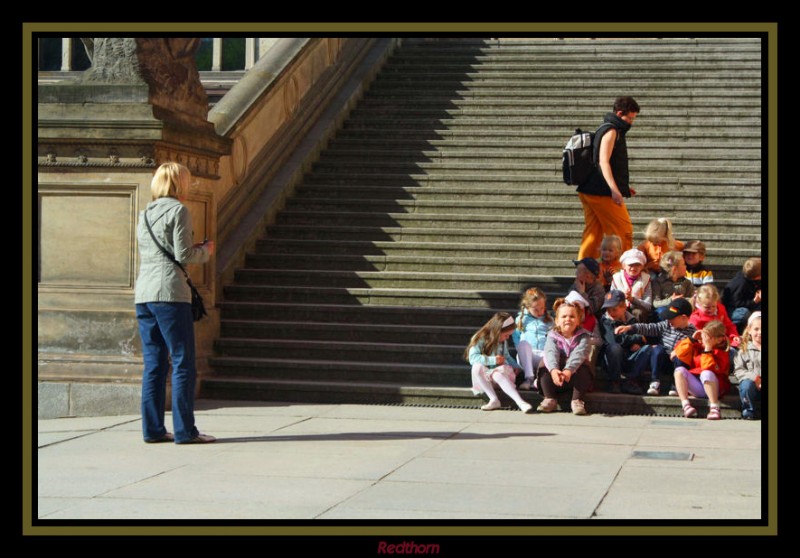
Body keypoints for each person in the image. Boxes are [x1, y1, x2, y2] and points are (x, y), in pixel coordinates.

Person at [135, 162, 216, 444]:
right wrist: (204, 251)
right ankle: (185, 431)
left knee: (154, 364)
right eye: (187, 181)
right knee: (183, 362)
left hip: (144, 294)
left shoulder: (144, 214)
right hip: (169, 293)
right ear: (179, 184)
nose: (190, 186)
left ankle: (153, 429)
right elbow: (183, 255)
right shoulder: (178, 210)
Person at [576, 96, 640, 260]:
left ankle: (584, 271)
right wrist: (614, 190)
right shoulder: (611, 131)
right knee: (624, 231)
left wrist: (623, 186)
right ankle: (624, 271)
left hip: (590, 189)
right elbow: (603, 162)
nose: (631, 122)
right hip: (602, 192)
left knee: (593, 234)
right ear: (620, 113)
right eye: (630, 118)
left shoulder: (606, 128)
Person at [614, 297, 697, 397]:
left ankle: (676, 384)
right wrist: (631, 327)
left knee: (683, 353)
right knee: (657, 349)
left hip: (677, 364)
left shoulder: (693, 332)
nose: (669, 320)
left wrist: (680, 350)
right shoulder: (666, 325)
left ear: (684, 318)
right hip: (663, 361)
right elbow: (650, 327)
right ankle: (655, 382)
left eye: (672, 318)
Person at [466, 312, 533, 413]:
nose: (507, 338)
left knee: (496, 374)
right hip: (485, 380)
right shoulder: (479, 338)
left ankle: (520, 402)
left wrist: (516, 366)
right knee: (476, 367)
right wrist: (493, 360)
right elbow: (473, 358)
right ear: (498, 331)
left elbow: (507, 356)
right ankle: (493, 399)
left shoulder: (502, 342)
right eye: (506, 335)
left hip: (499, 377)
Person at [537, 298, 594, 415]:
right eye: (564, 317)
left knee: (585, 366)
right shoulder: (552, 335)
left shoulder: (584, 336)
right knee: (544, 364)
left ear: (578, 320)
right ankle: (549, 398)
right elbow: (550, 352)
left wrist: (569, 370)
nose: (568, 319)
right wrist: (553, 370)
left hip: (574, 379)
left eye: (572, 316)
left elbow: (579, 354)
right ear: (557, 321)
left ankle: (577, 400)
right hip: (556, 379)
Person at [671, 320, 732, 420]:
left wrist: (708, 348)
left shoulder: (722, 353)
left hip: (716, 387)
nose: (705, 339)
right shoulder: (698, 346)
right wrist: (691, 339)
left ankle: (714, 407)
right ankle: (686, 405)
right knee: (679, 370)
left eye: (709, 337)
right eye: (705, 335)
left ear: (719, 339)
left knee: (706, 373)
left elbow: (708, 367)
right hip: (699, 386)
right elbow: (680, 355)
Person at [598, 290, 647, 394]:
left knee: (647, 349)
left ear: (624, 307)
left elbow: (644, 339)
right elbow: (614, 340)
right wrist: (636, 338)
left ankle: (631, 380)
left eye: (614, 309)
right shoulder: (605, 321)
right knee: (615, 347)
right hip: (613, 359)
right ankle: (614, 381)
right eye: (608, 310)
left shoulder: (632, 320)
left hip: (629, 356)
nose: (611, 313)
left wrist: (639, 343)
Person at [512, 288, 554, 391]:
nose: (540, 312)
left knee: (552, 354)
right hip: (527, 356)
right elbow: (515, 336)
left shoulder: (549, 320)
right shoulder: (521, 320)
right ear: (527, 307)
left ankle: (538, 380)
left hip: (543, 355)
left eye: (542, 308)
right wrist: (520, 348)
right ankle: (529, 379)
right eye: (536, 309)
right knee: (523, 344)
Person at [690, 284, 741, 349]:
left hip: (724, 341)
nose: (711, 309)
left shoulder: (720, 309)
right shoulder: (696, 319)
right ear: (699, 304)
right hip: (710, 346)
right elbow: (700, 339)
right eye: (707, 307)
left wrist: (734, 336)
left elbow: (729, 325)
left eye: (713, 306)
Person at [610, 248, 653, 322]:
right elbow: (611, 299)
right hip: (620, 308)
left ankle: (638, 332)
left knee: (638, 313)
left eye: (637, 265)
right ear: (624, 266)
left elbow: (648, 306)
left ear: (642, 266)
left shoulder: (646, 279)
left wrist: (632, 299)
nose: (633, 268)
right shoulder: (617, 278)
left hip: (637, 310)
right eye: (630, 265)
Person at [721, 257, 762, 334]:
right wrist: (753, 301)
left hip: (748, 304)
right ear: (757, 276)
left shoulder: (752, 279)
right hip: (732, 309)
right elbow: (736, 303)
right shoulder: (740, 284)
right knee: (744, 313)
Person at [733, 311, 762, 420]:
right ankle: (748, 410)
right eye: (756, 329)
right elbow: (739, 370)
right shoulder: (743, 350)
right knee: (746, 385)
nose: (760, 332)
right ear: (749, 330)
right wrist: (755, 378)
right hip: (753, 385)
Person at [652, 251, 695, 319]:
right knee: (661, 311)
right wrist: (671, 300)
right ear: (674, 269)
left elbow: (691, 298)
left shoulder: (686, 282)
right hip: (668, 310)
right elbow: (655, 303)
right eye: (683, 264)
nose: (686, 266)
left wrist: (687, 299)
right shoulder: (658, 282)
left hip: (682, 310)